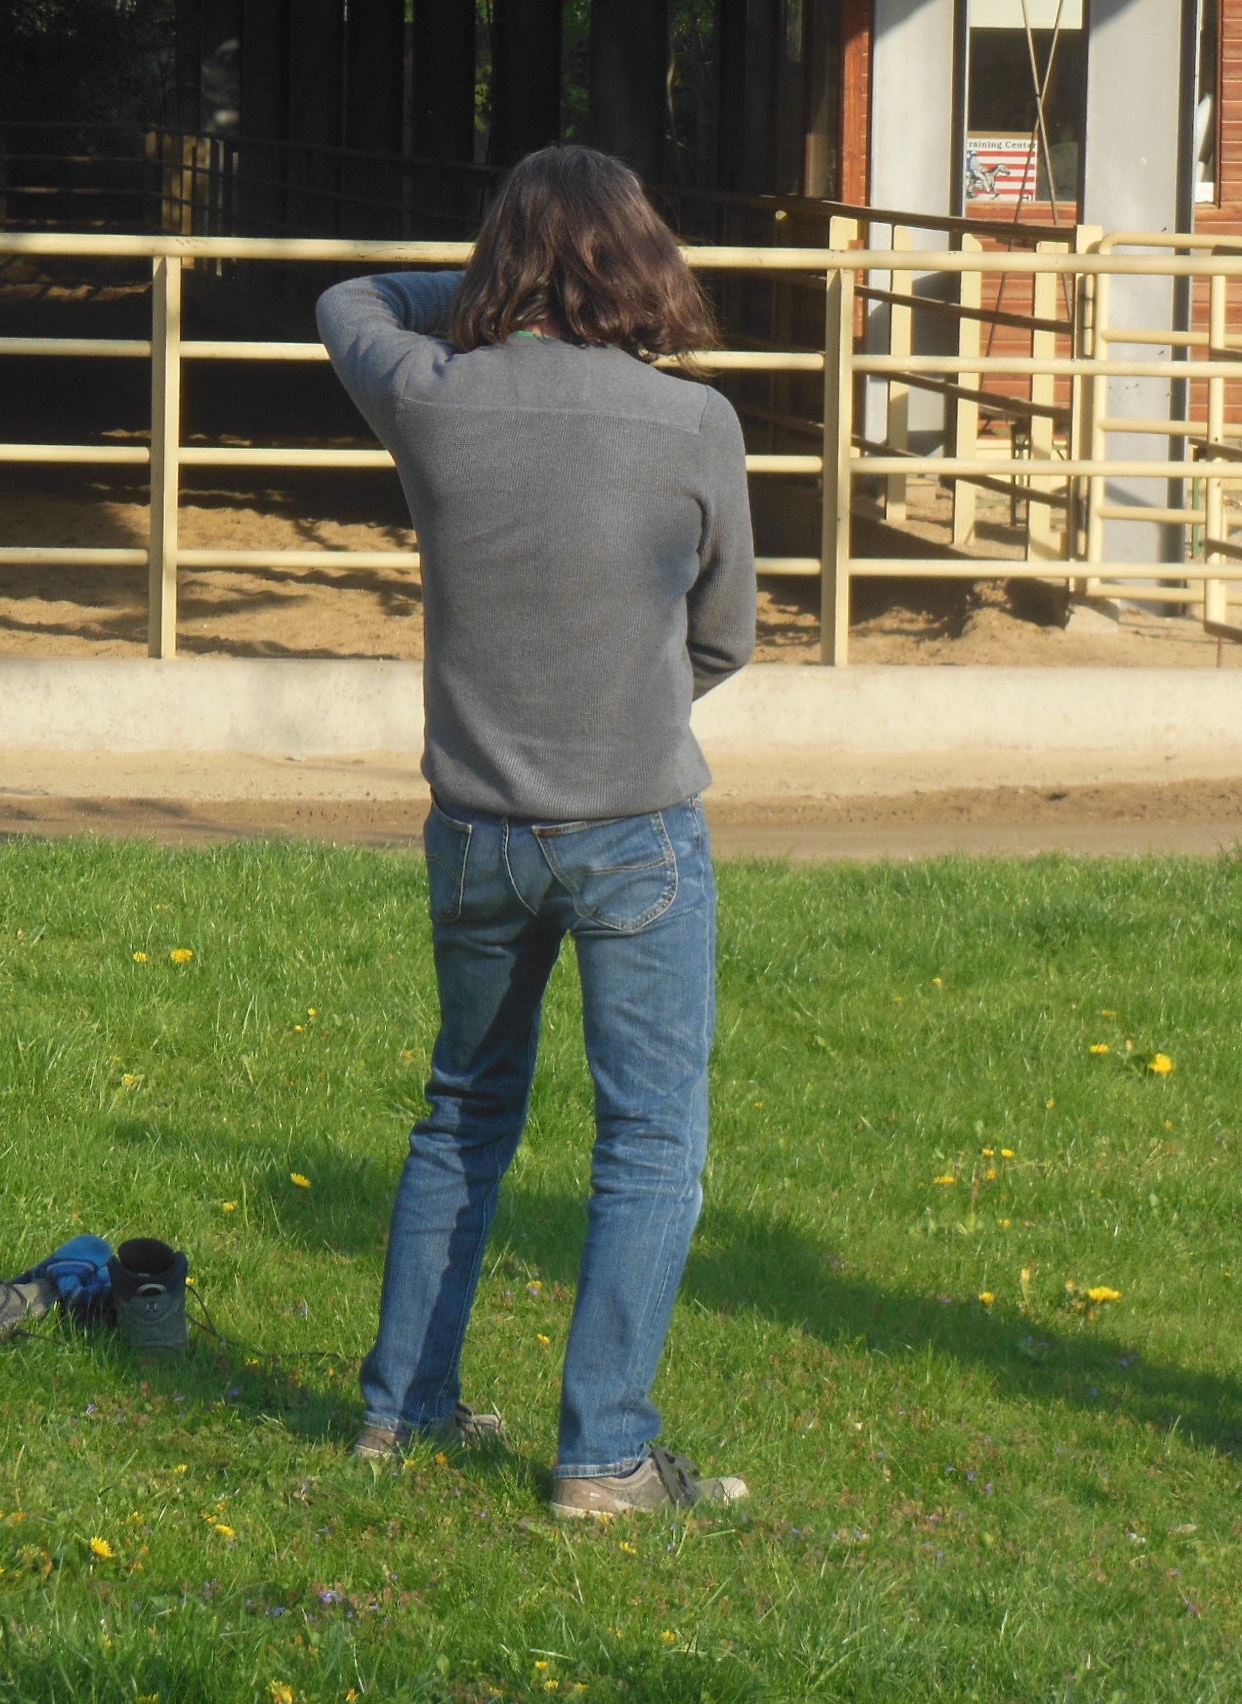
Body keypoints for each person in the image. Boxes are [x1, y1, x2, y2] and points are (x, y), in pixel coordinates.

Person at [316, 145, 757, 1519]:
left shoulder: (434, 395)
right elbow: (726, 637)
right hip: (635, 826)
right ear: (640, 259)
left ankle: (400, 1411)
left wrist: (487, 289)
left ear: (503, 261)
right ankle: (603, 1457)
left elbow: (345, 302)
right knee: (649, 1144)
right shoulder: (695, 423)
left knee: (463, 1110)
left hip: (476, 830)